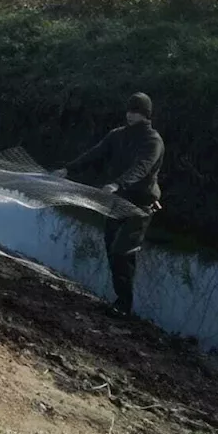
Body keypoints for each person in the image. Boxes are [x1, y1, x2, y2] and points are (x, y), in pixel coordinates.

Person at [57, 92, 164, 316]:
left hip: (139, 207)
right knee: (110, 248)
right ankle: (120, 301)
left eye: (136, 111)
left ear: (146, 115)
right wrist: (68, 169)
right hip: (116, 203)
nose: (131, 115)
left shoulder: (153, 141)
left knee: (122, 252)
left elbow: (142, 167)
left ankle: (124, 306)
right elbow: (94, 154)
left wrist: (117, 183)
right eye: (129, 110)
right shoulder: (117, 136)